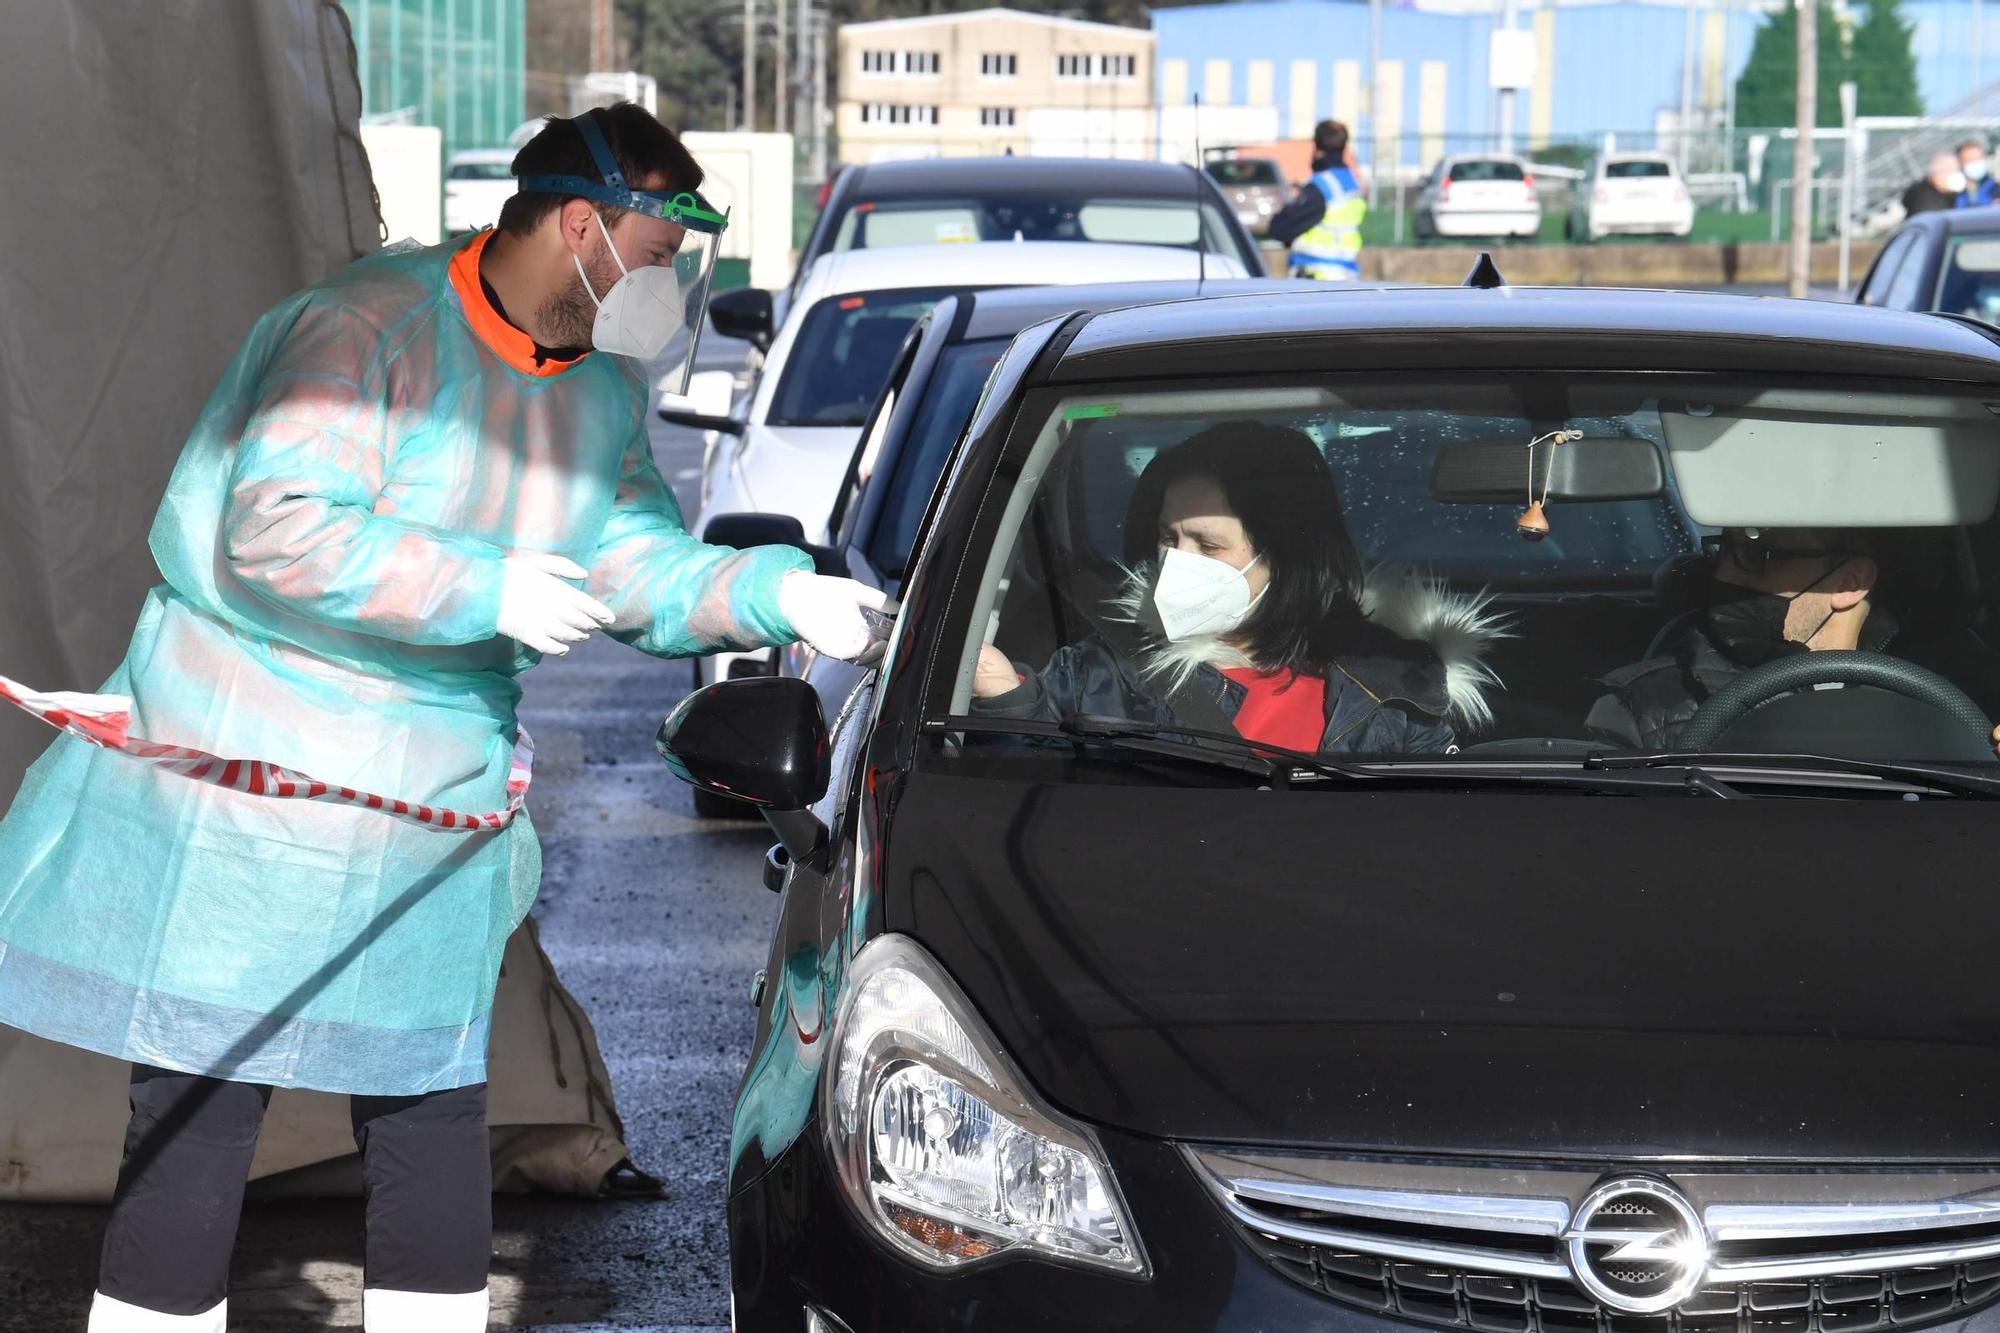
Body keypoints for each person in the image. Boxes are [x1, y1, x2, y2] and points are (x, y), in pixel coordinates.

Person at [0, 105, 886, 1333]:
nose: (664, 286)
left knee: (427, 1106)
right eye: (657, 248)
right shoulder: (365, 329)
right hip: (258, 776)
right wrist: (480, 583)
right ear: (581, 221)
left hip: (427, 800)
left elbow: (633, 563)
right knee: (206, 1102)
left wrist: (772, 590)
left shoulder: (595, 397)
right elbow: (276, 522)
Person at [969, 422, 1505, 754]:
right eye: (1167, 538)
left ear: (1287, 559)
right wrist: (1007, 698)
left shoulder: (1398, 685)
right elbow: (1033, 777)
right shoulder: (1103, 672)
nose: (1175, 563)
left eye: (1208, 545)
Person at [1587, 527, 2000, 751]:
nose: (1724, 577)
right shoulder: (1639, 705)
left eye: (1758, 555)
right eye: (1722, 552)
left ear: (1851, 582)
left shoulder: (1964, 695)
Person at [1269, 120, 1369, 280]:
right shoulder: (1352, 184)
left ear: (1316, 147)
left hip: (1315, 276)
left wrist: (1288, 204)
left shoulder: (1321, 186)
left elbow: (1280, 229)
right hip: (1347, 275)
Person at [1959, 139, 1999, 208]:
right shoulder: (1954, 192)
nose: (1975, 164)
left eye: (1978, 159)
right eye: (1971, 160)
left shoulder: (1994, 188)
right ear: (1961, 163)